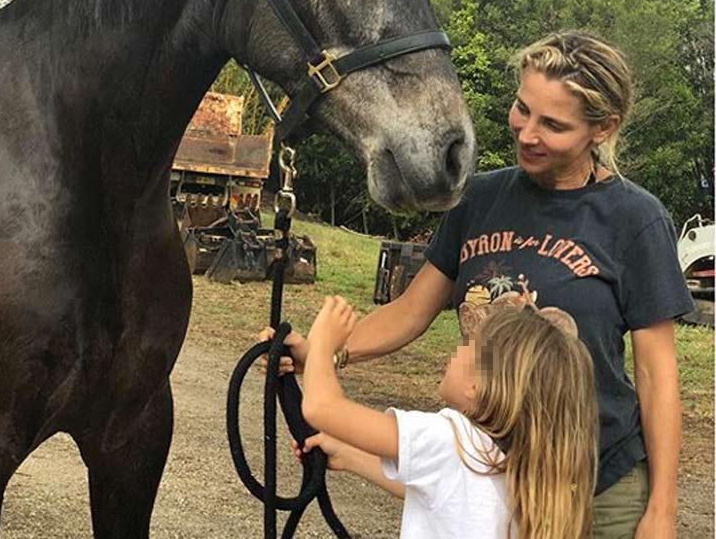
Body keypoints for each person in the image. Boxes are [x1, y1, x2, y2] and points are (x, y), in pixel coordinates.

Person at [271, 31, 694, 539]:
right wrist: (325, 350)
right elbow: (412, 310)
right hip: (492, 471)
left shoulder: (634, 219)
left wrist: (661, 511)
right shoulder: (478, 198)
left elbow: (655, 375)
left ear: (602, 128)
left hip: (596, 484)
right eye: (523, 109)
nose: (527, 133)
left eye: (553, 125)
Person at [294, 293, 597, 539]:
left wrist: (322, 342)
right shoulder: (520, 462)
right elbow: (443, 490)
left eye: (467, 345)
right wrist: (347, 455)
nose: (456, 350)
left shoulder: (453, 437)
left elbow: (321, 407)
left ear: (480, 383)